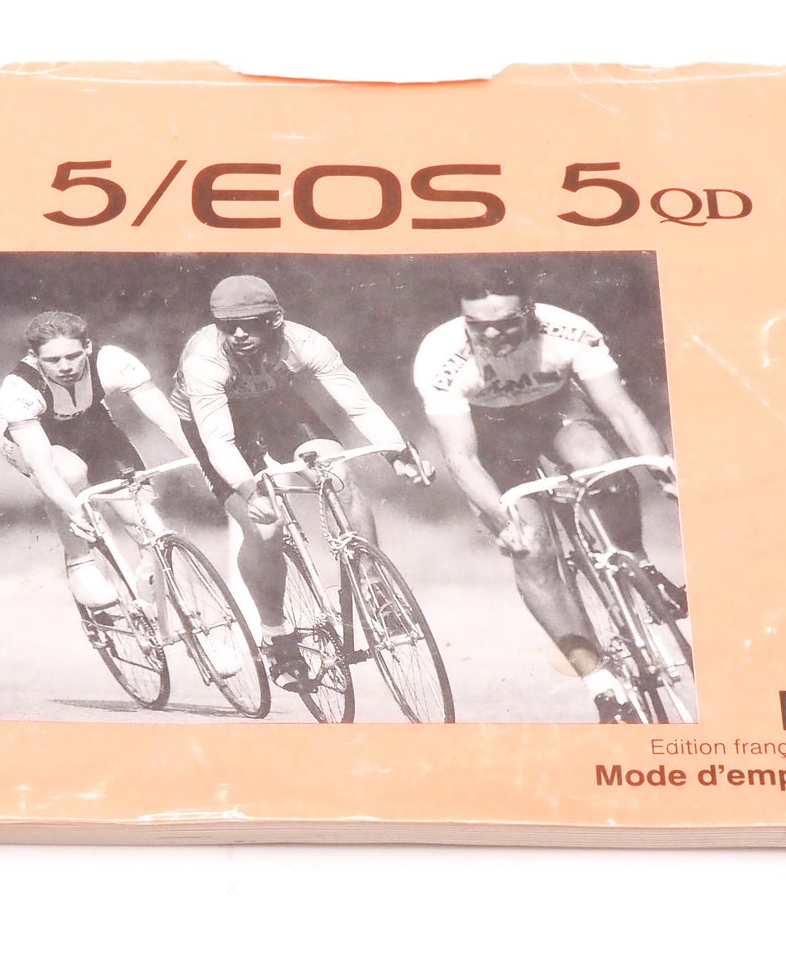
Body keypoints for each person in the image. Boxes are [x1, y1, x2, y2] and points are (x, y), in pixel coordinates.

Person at [412, 271, 685, 722]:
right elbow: (462, 457)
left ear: (530, 312)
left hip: (556, 414)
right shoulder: (440, 356)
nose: (492, 335)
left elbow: (621, 410)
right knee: (531, 549)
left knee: (601, 465)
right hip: (489, 439)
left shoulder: (568, 330)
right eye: (478, 325)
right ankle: (601, 685)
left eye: (506, 322)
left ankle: (639, 564)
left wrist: (663, 469)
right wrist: (505, 522)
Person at [172, 274, 425, 690]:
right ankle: (276, 636)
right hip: (215, 425)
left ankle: (376, 591)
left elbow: (359, 405)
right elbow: (219, 443)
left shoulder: (307, 343)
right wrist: (250, 492)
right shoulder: (204, 360)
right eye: (227, 325)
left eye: (248, 323)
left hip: (275, 407)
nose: (237, 334)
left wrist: (398, 452)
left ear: (275, 319)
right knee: (266, 529)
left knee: (339, 475)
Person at [0, 310, 189, 615]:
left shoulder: (111, 362)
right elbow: (42, 467)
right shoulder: (20, 387)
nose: (65, 367)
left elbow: (168, 420)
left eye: (73, 356)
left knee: (142, 516)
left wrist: (206, 461)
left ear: (87, 346)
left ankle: (154, 601)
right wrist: (73, 511)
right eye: (53, 360)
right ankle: (80, 562)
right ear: (34, 357)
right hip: (33, 441)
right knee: (70, 473)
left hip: (91, 428)